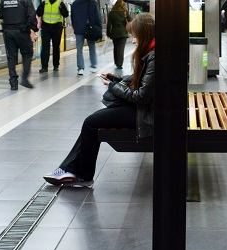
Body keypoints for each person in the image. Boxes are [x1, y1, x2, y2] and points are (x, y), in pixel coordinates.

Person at [44, 13, 155, 187]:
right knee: (94, 120)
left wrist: (112, 87)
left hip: (147, 115)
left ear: (145, 34)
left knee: (91, 122)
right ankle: (72, 170)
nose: (133, 41)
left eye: (135, 36)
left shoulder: (154, 57)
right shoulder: (153, 52)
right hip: (148, 109)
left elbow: (141, 96)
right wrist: (116, 80)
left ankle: (80, 174)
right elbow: (142, 83)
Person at [0, 0, 37, 89]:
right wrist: (34, 30)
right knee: (27, 54)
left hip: (8, 32)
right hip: (22, 31)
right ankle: (24, 79)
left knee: (11, 57)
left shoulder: (4, 0)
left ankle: (13, 83)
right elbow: (32, 16)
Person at [70, 0, 102, 75]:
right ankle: (94, 66)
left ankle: (80, 68)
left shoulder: (75, 3)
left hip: (79, 29)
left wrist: (75, 27)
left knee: (79, 49)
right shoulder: (93, 2)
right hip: (90, 29)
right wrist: (99, 27)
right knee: (92, 47)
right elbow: (98, 17)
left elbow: (72, 17)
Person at [38, 0, 68, 72]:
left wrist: (61, 9)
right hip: (46, 27)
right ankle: (44, 66)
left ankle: (56, 65)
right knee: (45, 47)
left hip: (56, 28)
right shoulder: (44, 3)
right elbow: (38, 13)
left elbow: (66, 15)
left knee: (56, 47)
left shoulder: (60, 3)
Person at [106, 0, 129, 70]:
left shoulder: (111, 13)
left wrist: (108, 33)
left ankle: (116, 62)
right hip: (123, 33)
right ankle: (119, 64)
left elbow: (109, 24)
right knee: (121, 49)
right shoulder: (125, 12)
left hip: (114, 33)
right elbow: (131, 20)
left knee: (115, 48)